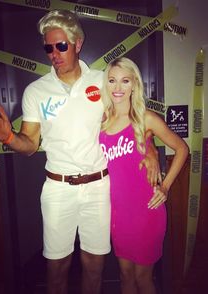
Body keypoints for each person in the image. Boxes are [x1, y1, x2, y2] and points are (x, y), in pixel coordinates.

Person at [0, 10, 160, 294]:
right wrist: (10, 137)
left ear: (78, 43)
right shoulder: (36, 91)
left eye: (61, 45)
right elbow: (29, 145)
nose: (54, 53)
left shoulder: (103, 81)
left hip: (99, 187)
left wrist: (151, 150)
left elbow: (134, 118)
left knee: (94, 267)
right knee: (57, 268)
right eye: (48, 48)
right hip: (58, 189)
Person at [99, 57, 189, 294]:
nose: (118, 88)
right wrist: (150, 150)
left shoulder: (146, 118)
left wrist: (166, 186)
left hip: (146, 211)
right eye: (112, 81)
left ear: (134, 85)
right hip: (118, 214)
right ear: (106, 84)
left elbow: (182, 149)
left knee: (142, 278)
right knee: (125, 276)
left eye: (125, 81)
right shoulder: (102, 121)